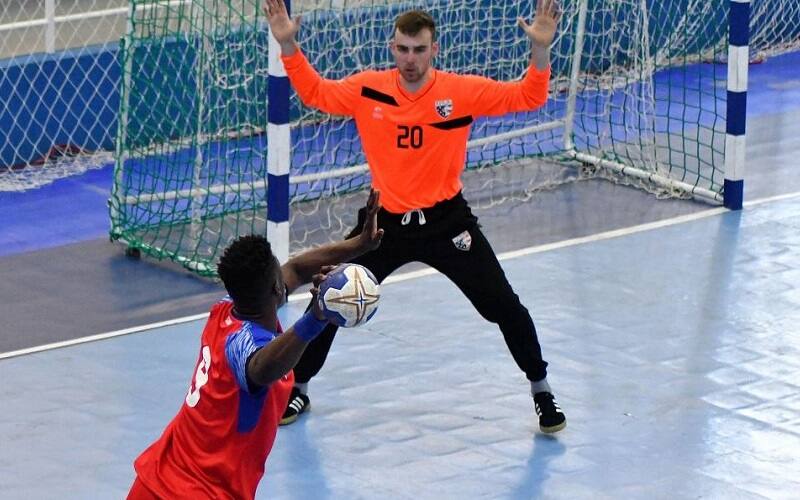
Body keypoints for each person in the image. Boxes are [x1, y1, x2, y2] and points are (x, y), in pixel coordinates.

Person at [264, 0, 566, 433]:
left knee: (504, 306)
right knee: (328, 300)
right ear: (393, 48)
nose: (410, 59)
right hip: (382, 226)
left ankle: (541, 389)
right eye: (403, 49)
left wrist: (540, 49)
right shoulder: (369, 89)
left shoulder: (460, 92)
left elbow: (530, 96)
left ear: (434, 50)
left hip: (447, 223)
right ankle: (299, 386)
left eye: (419, 50)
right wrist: (288, 45)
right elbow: (316, 93)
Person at [127, 191, 385, 499]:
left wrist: (359, 245)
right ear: (276, 288)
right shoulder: (242, 346)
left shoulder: (224, 310)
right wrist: (316, 317)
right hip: (198, 492)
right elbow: (261, 369)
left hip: (155, 479)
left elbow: (297, 269)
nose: (286, 272)